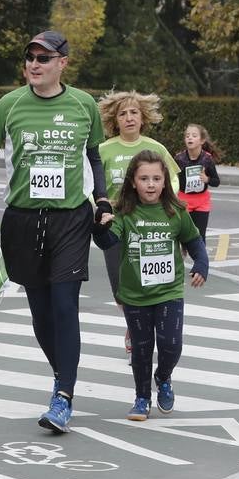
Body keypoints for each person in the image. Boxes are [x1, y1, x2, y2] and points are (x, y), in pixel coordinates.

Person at [0, 30, 112, 435]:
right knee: (40, 313)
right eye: (30, 57)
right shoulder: (9, 104)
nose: (34, 64)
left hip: (70, 218)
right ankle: (61, 375)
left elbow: (95, 158)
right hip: (23, 218)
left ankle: (63, 396)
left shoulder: (84, 104)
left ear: (62, 64)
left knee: (65, 305)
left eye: (43, 58)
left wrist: (101, 200)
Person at [95, 150, 208, 420]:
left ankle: (164, 376)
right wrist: (99, 227)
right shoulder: (124, 212)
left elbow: (194, 241)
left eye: (157, 178)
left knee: (171, 344)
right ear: (133, 182)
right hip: (135, 294)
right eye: (144, 178)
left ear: (165, 182)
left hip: (168, 292)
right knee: (142, 350)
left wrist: (201, 265)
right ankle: (142, 397)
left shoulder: (175, 211)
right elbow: (108, 242)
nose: (150, 184)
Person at [98, 90, 181, 361]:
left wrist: (169, 206)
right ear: (115, 120)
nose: (129, 118)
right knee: (120, 285)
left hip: (147, 226)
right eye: (123, 113)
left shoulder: (155, 149)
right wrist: (100, 208)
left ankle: (140, 330)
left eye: (134, 112)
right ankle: (133, 325)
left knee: (146, 280)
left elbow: (173, 182)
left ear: (142, 117)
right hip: (116, 226)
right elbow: (91, 185)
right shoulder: (104, 150)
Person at [175, 123, 221, 241]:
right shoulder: (179, 159)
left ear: (202, 140)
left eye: (194, 135)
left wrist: (207, 179)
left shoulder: (207, 159)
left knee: (200, 236)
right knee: (183, 235)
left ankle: (201, 259)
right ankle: (182, 254)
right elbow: (172, 179)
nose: (190, 138)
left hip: (202, 201)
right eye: (187, 136)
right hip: (184, 200)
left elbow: (216, 182)